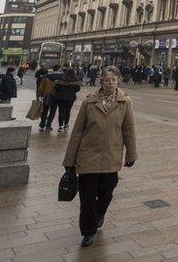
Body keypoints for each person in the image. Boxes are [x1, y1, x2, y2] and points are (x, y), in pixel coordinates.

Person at [63, 66, 137, 248]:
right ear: (101, 82)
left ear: (117, 81)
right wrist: (69, 160)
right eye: (107, 80)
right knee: (87, 198)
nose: (110, 83)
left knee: (106, 194)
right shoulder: (89, 103)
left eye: (113, 80)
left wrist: (131, 154)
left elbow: (129, 130)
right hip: (87, 157)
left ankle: (99, 214)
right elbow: (78, 132)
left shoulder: (125, 102)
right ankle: (88, 231)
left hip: (111, 157)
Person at [38, 66, 60, 131]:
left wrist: (39, 96)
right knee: (52, 112)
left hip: (46, 96)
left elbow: (40, 88)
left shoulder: (46, 78)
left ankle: (42, 123)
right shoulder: (60, 78)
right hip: (56, 96)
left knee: (44, 111)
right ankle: (48, 125)